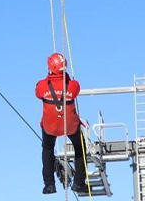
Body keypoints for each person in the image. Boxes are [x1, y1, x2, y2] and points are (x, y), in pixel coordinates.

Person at [36, 53, 89, 195]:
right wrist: (64, 77)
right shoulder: (72, 86)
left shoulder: (42, 85)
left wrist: (50, 78)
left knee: (47, 150)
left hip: (49, 127)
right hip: (70, 126)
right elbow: (75, 87)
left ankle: (49, 185)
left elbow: (38, 93)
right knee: (80, 149)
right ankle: (79, 183)